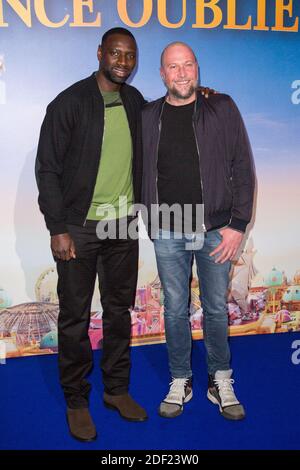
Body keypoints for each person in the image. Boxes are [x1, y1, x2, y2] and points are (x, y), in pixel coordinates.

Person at [36, 27, 148, 442]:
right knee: (75, 317)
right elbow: (47, 168)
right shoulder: (68, 103)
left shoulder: (136, 102)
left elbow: (170, 119)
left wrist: (203, 96)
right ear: (100, 52)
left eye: (130, 55)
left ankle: (117, 390)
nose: (123, 61)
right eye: (116, 53)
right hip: (78, 229)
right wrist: (57, 227)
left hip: (123, 227)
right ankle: (77, 400)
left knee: (119, 313)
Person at [141, 42, 255, 420]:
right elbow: (137, 171)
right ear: (162, 74)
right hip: (168, 231)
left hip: (215, 230)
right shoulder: (147, 115)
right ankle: (180, 378)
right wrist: (150, 220)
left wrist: (237, 225)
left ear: (197, 68)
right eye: (173, 67)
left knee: (216, 309)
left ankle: (220, 378)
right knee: (174, 309)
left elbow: (242, 165)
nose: (183, 73)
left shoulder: (221, 108)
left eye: (188, 64)